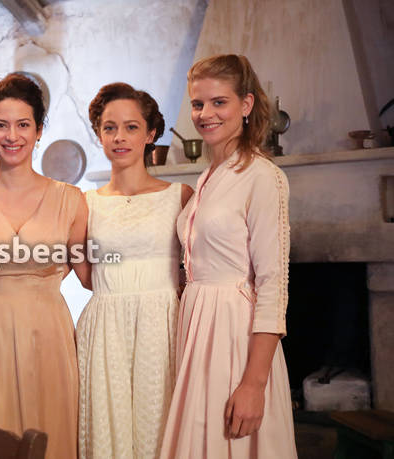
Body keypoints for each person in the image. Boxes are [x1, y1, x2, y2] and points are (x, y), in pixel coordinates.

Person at [159, 54, 297, 458]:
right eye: (198, 104)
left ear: (246, 104)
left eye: (219, 102)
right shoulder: (206, 177)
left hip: (236, 335)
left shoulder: (264, 177)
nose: (205, 114)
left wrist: (253, 384)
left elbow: (273, 285)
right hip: (197, 330)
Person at [0, 73, 90, 459]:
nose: (12, 135)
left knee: (49, 436)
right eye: (1, 125)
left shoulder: (72, 200)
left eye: (23, 124)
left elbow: (92, 278)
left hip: (49, 338)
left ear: (39, 130)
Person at [76, 83, 193, 459]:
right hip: (104, 326)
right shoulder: (84, 203)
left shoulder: (180, 196)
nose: (119, 137)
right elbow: (86, 274)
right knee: (106, 430)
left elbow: (195, 268)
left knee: (159, 426)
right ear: (99, 134)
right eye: (109, 128)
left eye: (131, 127)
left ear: (151, 133)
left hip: (162, 325)